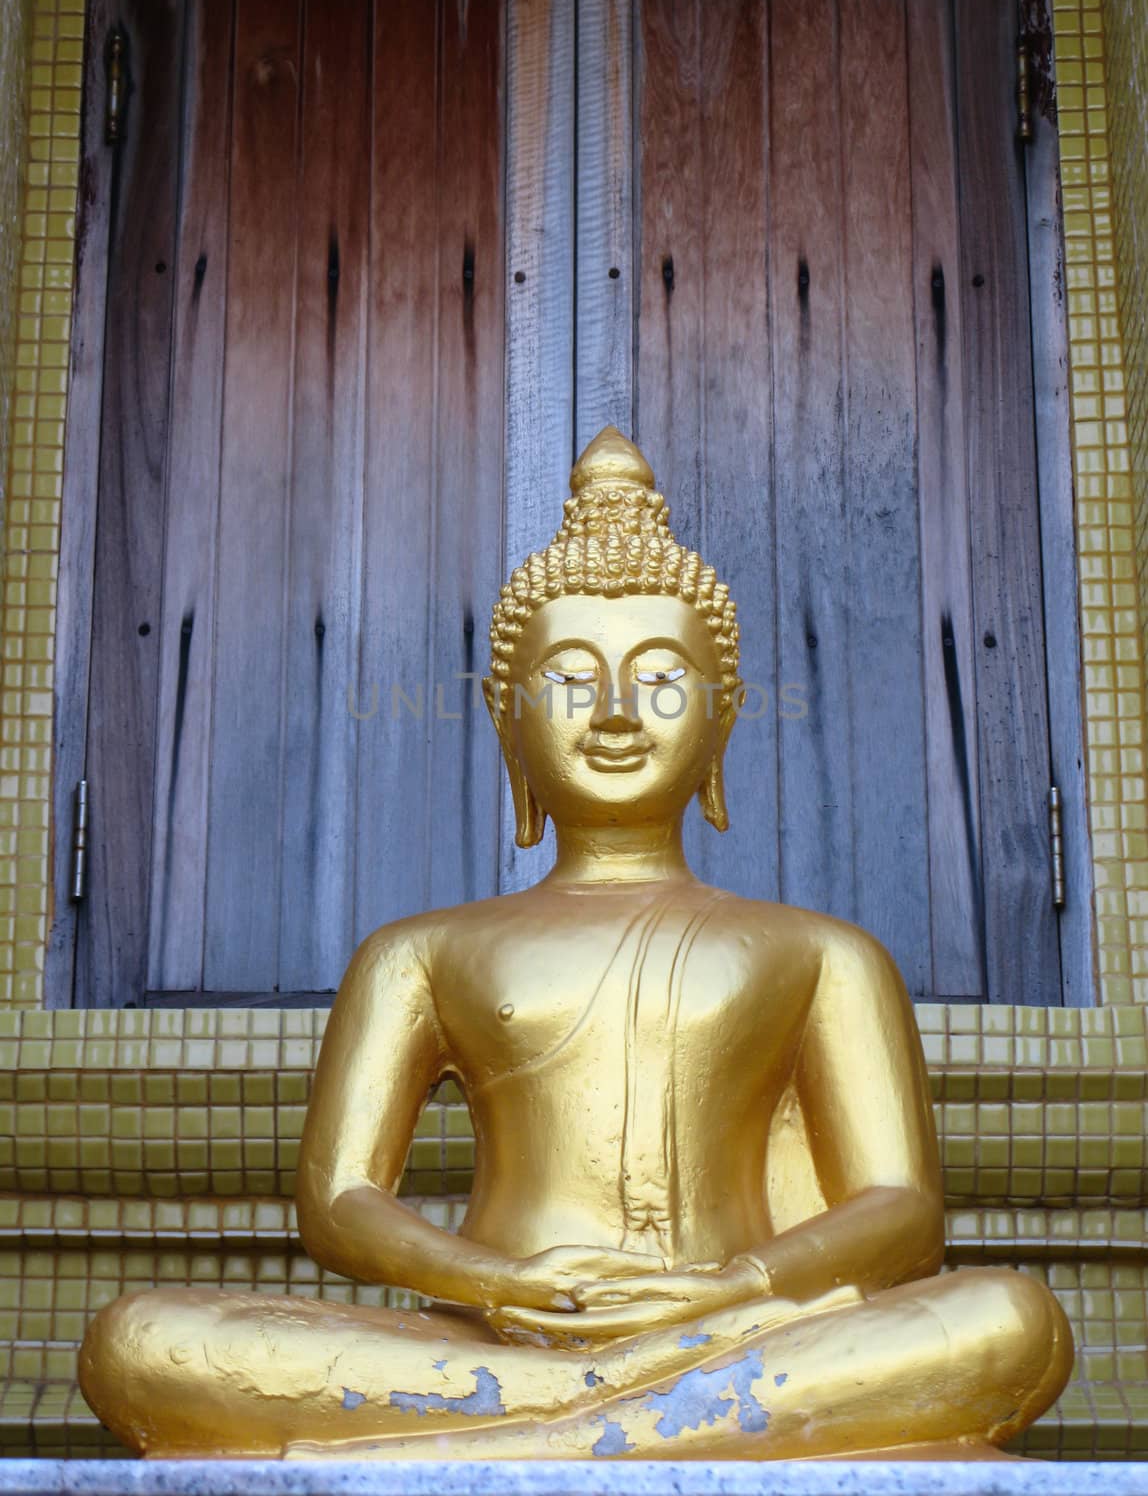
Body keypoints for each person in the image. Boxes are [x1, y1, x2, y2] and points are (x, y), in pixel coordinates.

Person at [79, 428, 1072, 1459]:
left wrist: (731, 1286)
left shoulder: (821, 955)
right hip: (492, 1344)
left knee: (1010, 1321)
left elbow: (903, 1209)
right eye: (566, 678)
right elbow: (337, 1201)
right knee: (137, 1342)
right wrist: (494, 1282)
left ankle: (518, 1442)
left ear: (721, 717)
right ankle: (630, 1425)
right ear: (508, 724)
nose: (610, 714)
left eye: (657, 677)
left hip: (730, 1328)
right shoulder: (415, 953)